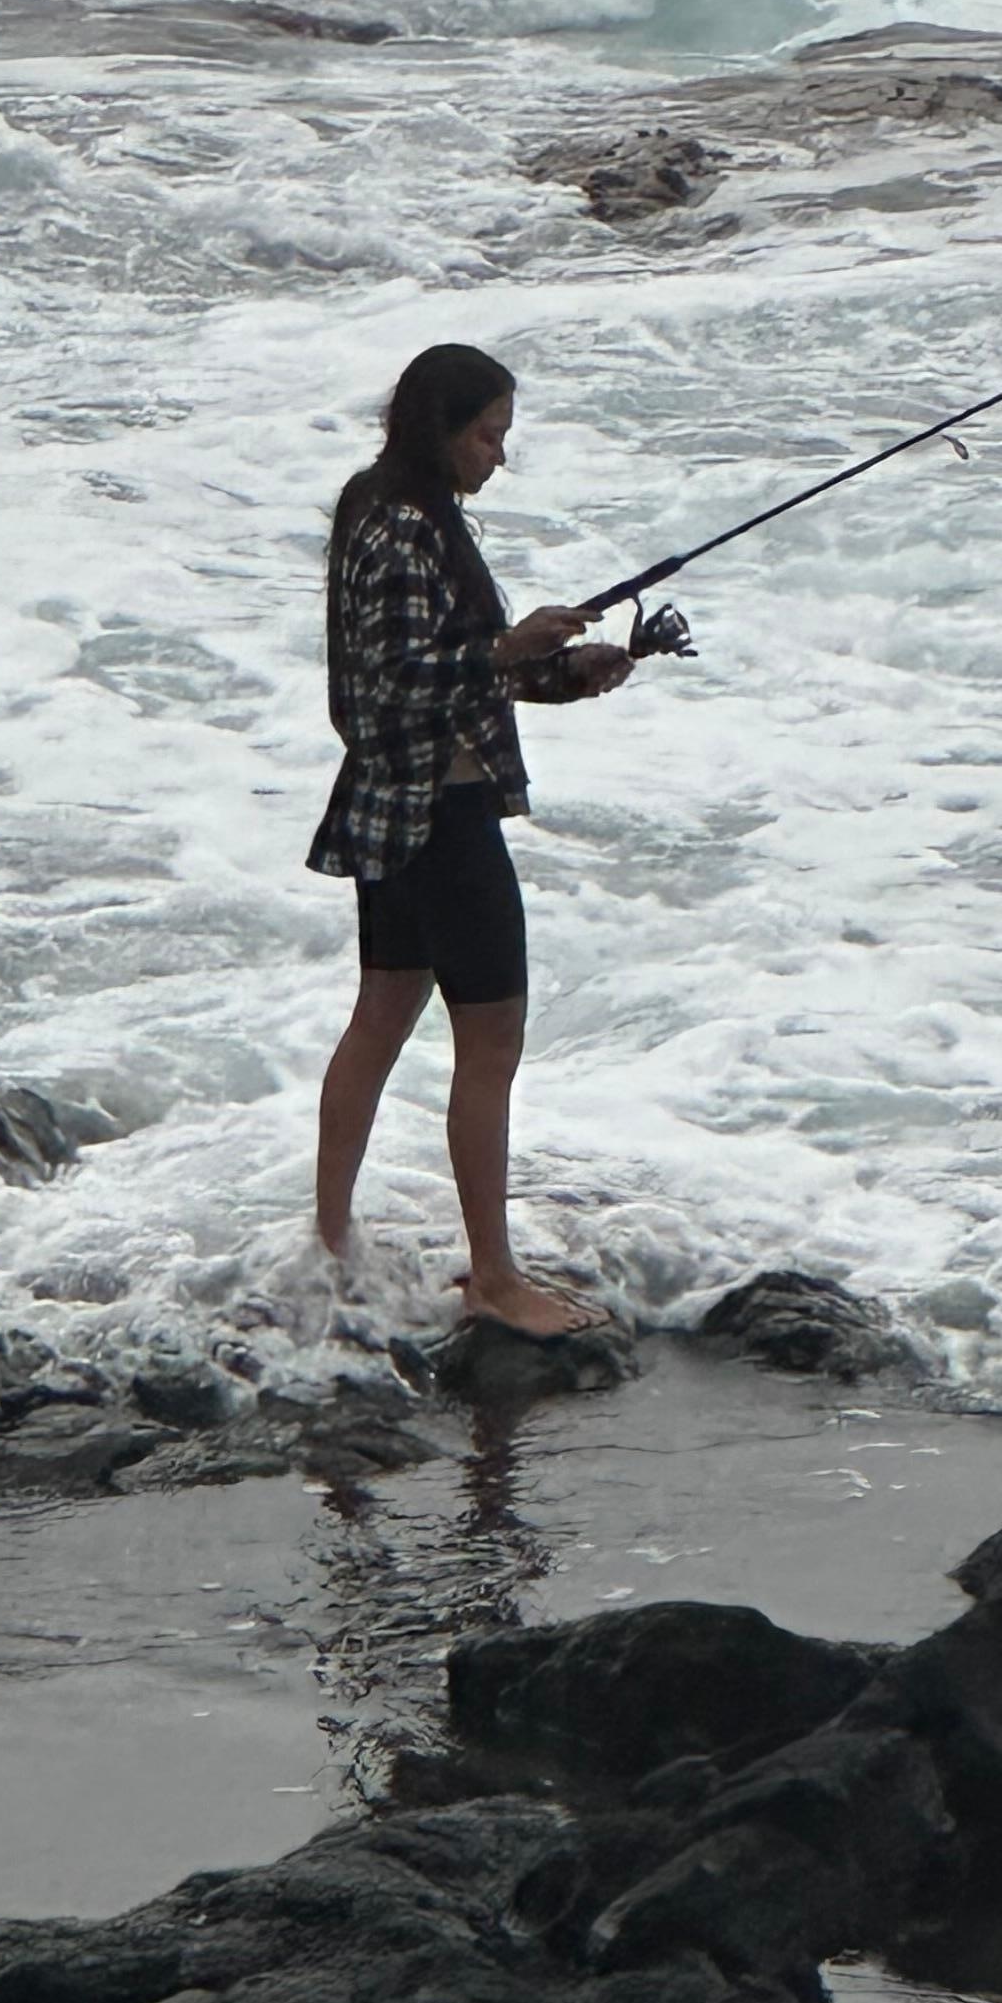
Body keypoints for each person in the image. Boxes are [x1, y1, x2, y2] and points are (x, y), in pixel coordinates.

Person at [308, 343, 631, 1336]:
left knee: (381, 1017)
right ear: (439, 429)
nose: (498, 455)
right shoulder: (403, 528)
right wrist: (507, 647)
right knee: (489, 1044)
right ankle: (493, 1276)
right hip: (439, 821)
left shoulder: (385, 508)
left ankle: (329, 1244)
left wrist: (564, 674)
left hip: (390, 808)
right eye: (488, 436)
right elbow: (402, 678)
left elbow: (450, 670)